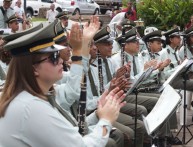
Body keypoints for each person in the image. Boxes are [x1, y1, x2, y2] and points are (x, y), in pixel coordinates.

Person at [0, 17, 126, 147]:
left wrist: (98, 113)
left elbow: (73, 88)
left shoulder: (34, 96)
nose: (60, 60)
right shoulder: (32, 108)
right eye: (53, 57)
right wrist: (106, 120)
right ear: (33, 69)